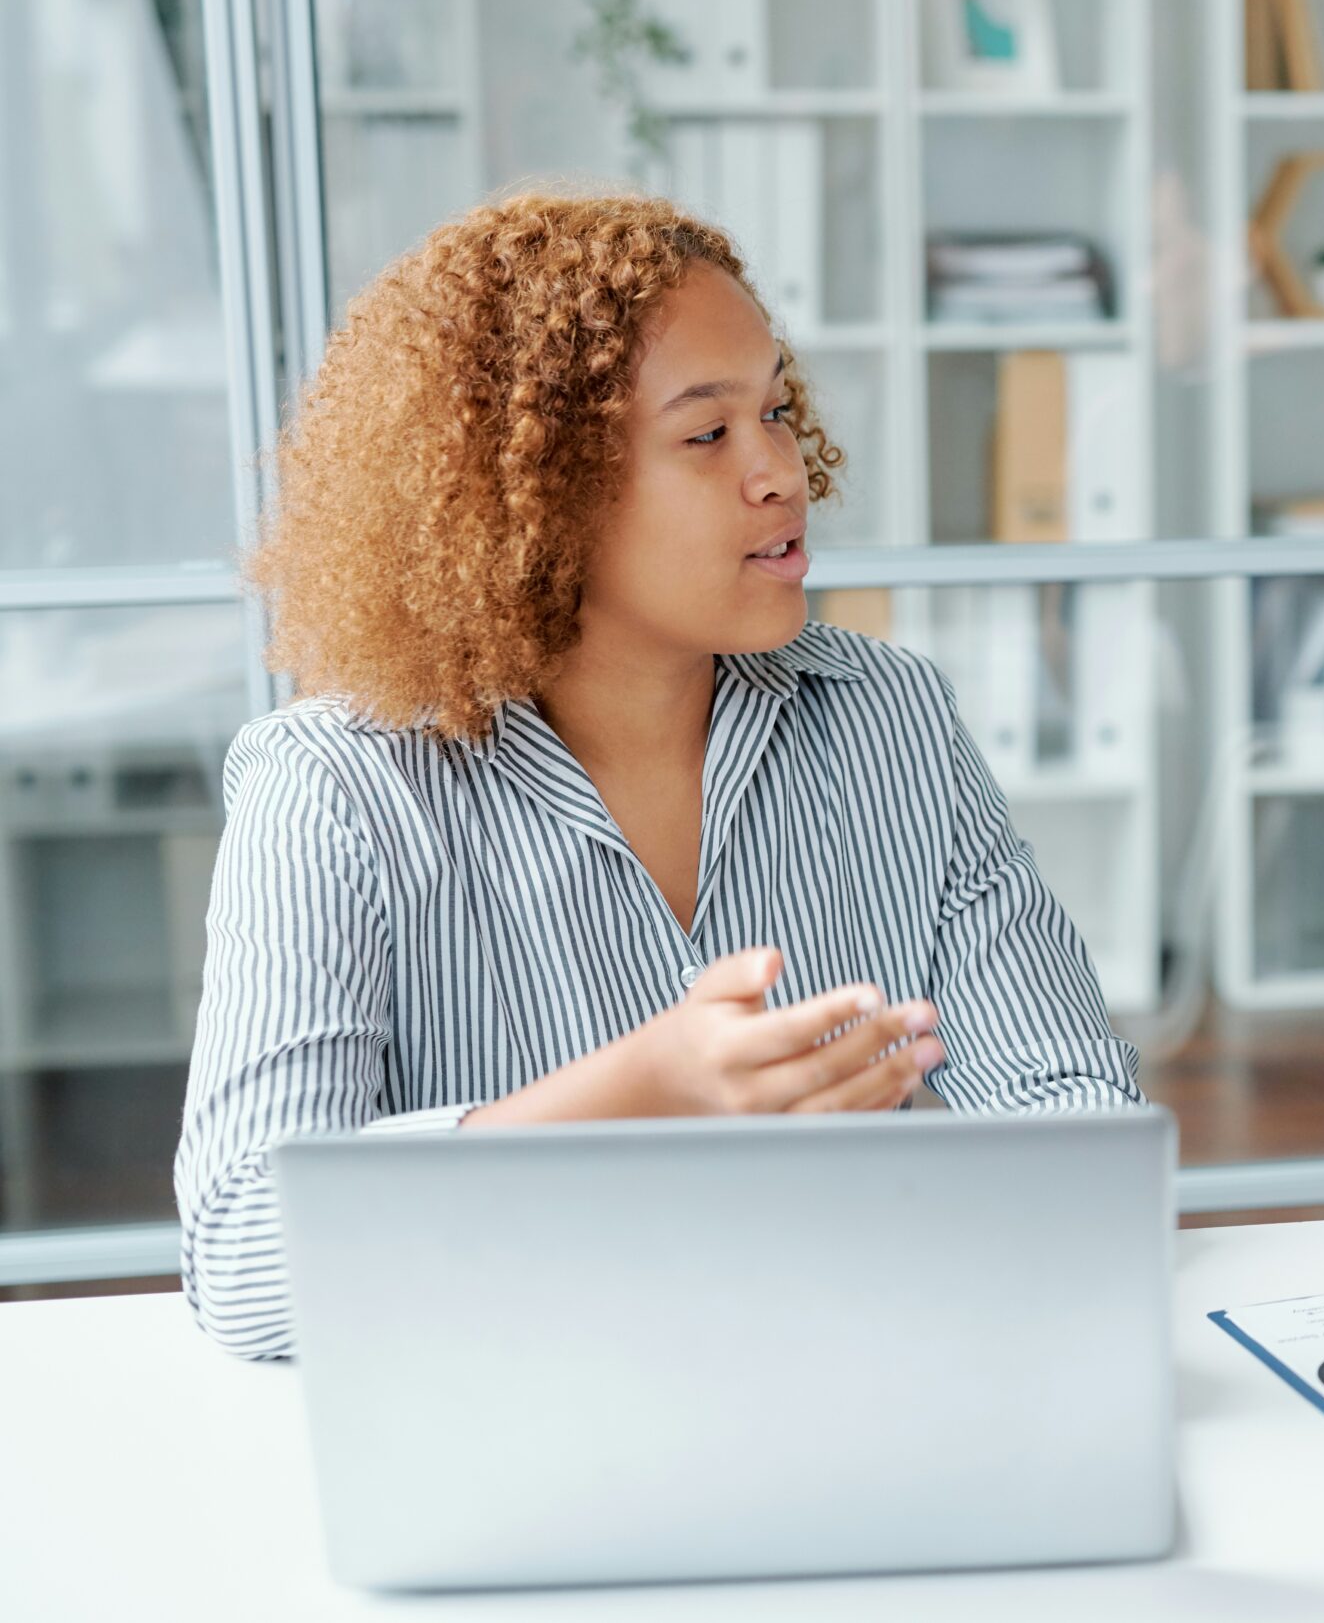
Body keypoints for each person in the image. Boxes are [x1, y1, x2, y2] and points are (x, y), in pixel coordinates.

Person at [176, 193, 1139, 1359]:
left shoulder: (892, 721)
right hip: (530, 1422)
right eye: (706, 435)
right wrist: (631, 1097)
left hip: (859, 1383)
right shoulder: (334, 791)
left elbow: (1083, 1129)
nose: (780, 472)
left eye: (774, 411)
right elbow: (244, 1262)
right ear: (537, 495)